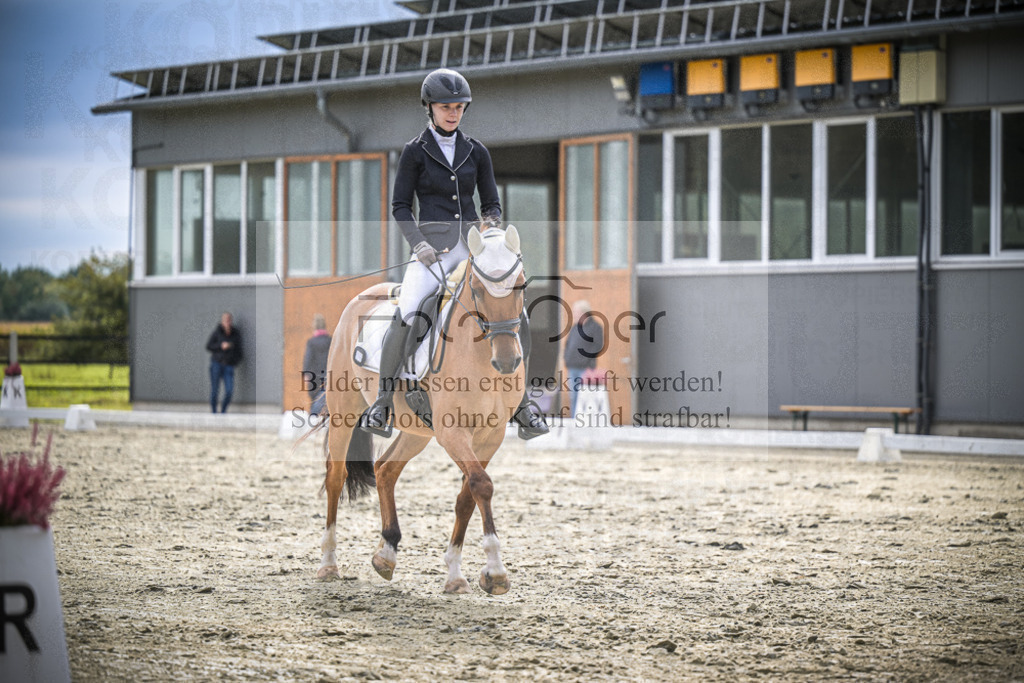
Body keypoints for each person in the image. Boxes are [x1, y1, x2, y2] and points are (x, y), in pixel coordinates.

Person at [358, 67, 548, 440]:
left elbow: (491, 203)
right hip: (431, 250)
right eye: (446, 107)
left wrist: (489, 225)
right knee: (410, 309)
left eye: (459, 107)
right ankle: (382, 403)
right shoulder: (414, 151)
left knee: (515, 308)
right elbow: (400, 206)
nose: (453, 113)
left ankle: (522, 402)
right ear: (429, 108)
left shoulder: (476, 151)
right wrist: (419, 244)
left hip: (472, 248)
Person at [563, 300, 604, 418]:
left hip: (585, 368)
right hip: (572, 366)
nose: (574, 314)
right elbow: (568, 344)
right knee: (573, 395)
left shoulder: (595, 327)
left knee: (585, 395)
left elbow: (598, 345)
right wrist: (566, 358)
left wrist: (586, 359)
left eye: (576, 312)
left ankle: (585, 419)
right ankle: (574, 419)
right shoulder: (575, 327)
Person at [206, 312, 242, 413]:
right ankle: (214, 413)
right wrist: (220, 346)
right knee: (215, 390)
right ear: (222, 321)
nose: (227, 322)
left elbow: (239, 350)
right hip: (217, 364)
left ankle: (223, 412)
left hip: (229, 366)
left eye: (229, 320)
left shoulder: (235, 334)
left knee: (229, 391)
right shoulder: (217, 332)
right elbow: (209, 346)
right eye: (225, 320)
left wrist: (234, 362)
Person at [303, 313, 332, 416]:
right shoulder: (330, 341)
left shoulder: (311, 342)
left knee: (315, 402)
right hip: (328, 376)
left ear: (314, 326)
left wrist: (306, 375)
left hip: (314, 377)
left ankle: (314, 419)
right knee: (327, 401)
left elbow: (308, 360)